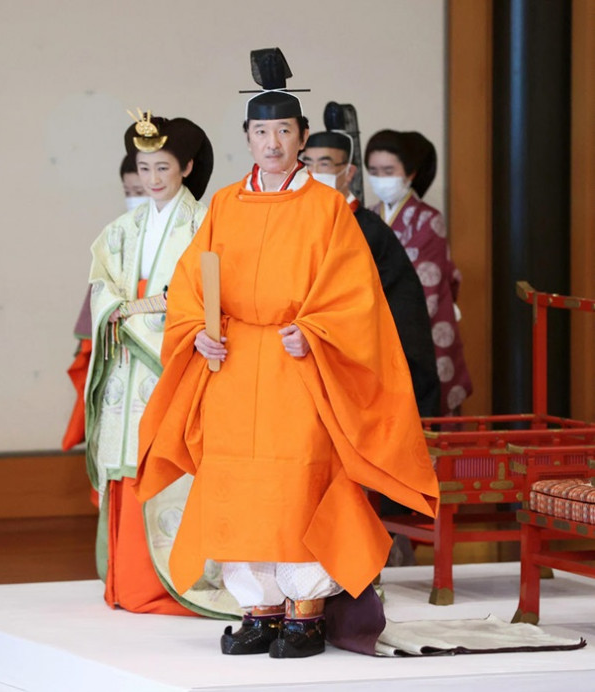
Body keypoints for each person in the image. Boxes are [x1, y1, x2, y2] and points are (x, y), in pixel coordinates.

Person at [134, 48, 439, 658]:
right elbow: (191, 282)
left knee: (299, 482)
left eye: (282, 131)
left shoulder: (326, 207)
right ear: (247, 137)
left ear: (301, 136)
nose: (271, 143)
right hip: (232, 361)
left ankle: (306, 613)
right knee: (238, 486)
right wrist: (197, 329)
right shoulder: (225, 204)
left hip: (298, 365)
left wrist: (317, 330)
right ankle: (259, 609)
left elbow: (355, 294)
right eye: (260, 131)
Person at [84, 111, 217, 616]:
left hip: (175, 363)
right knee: (126, 458)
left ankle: (172, 583)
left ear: (187, 167)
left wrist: (131, 315)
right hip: (127, 365)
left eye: (163, 167)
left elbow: (202, 299)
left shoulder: (205, 224)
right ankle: (127, 581)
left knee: (169, 463)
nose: (153, 178)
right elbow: (102, 288)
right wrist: (118, 311)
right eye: (144, 168)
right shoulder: (123, 228)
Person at [301, 127, 440, 418]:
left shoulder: (368, 229)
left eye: (324, 164)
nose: (314, 173)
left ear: (348, 172)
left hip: (363, 354)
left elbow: (388, 305)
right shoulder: (300, 222)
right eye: (307, 164)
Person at [365, 130, 472, 415]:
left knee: (424, 405)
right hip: (375, 325)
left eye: (388, 171)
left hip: (419, 324)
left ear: (410, 173)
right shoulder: (368, 217)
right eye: (374, 171)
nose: (380, 178)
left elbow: (428, 282)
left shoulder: (428, 220)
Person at [62, 155, 148, 452]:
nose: (135, 198)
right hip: (117, 353)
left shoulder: (186, 232)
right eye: (129, 191)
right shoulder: (116, 236)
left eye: (141, 191)